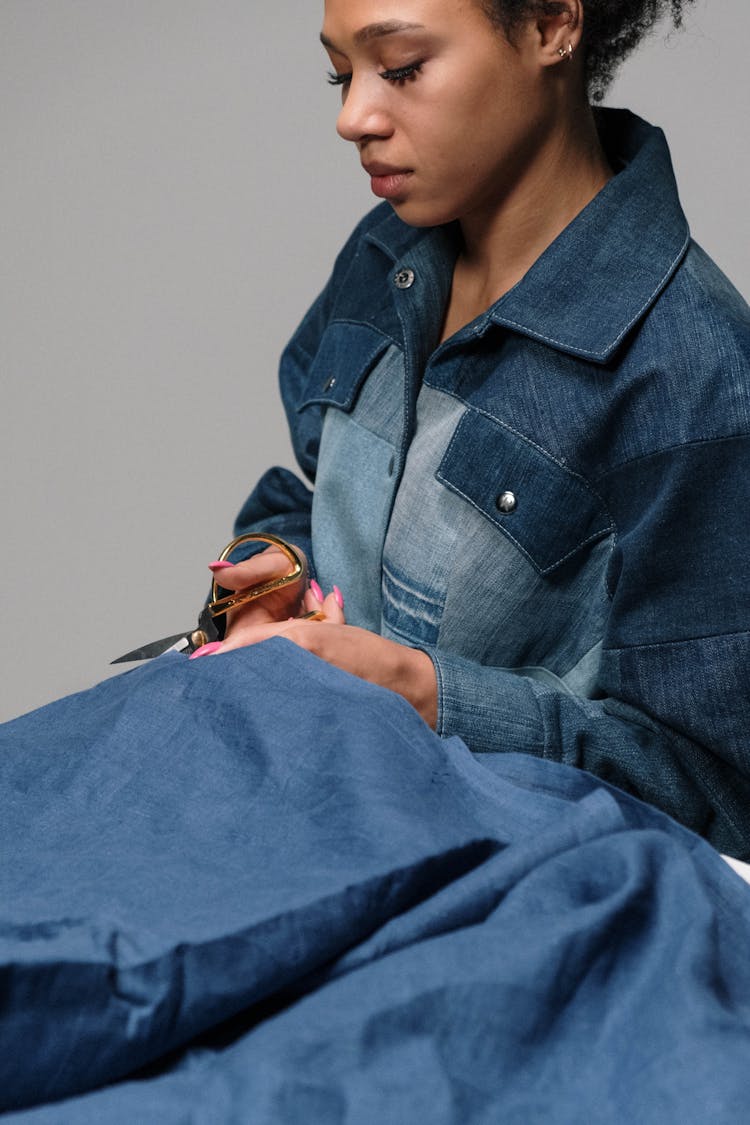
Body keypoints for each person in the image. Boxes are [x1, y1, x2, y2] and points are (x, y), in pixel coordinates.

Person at [186, 0, 750, 858]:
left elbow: (713, 796)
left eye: (402, 67)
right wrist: (278, 584)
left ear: (555, 24)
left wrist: (427, 694)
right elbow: (312, 499)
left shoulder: (695, 377)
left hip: (485, 903)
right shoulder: (386, 255)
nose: (353, 118)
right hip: (296, 807)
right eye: (341, 74)